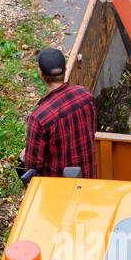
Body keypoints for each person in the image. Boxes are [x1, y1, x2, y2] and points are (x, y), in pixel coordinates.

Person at [20, 48, 97, 178]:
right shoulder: (85, 95)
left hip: (58, 190)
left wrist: (24, 155)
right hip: (88, 180)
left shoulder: (39, 118)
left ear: (40, 73)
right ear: (65, 69)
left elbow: (33, 165)